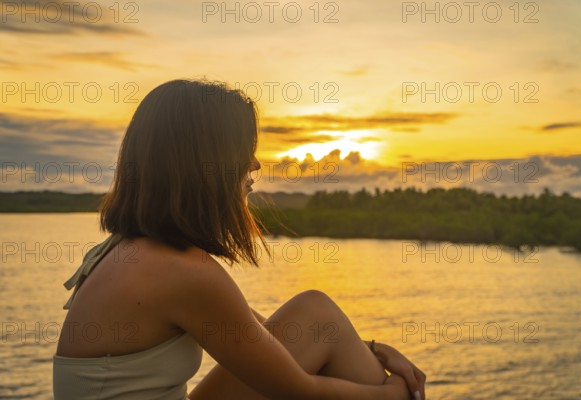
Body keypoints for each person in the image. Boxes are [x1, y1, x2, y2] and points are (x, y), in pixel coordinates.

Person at [52, 79, 426, 400]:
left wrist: (374, 349)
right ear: (204, 164)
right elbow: (296, 389)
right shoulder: (179, 272)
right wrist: (390, 393)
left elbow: (260, 336)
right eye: (242, 151)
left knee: (315, 316)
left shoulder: (133, 251)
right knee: (317, 312)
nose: (255, 165)